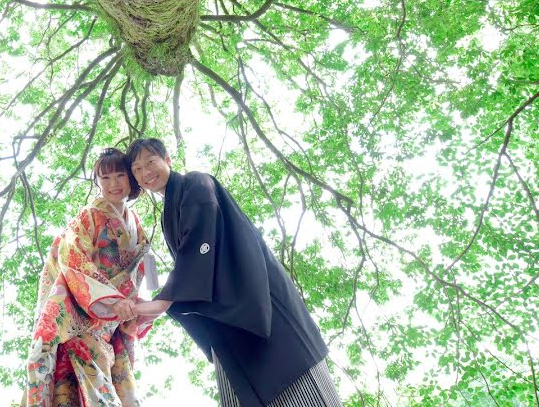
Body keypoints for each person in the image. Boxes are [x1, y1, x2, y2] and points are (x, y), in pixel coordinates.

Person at [124, 138, 342, 407]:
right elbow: (192, 264)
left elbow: (201, 237)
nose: (145, 173)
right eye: (137, 169)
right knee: (241, 390)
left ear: (167, 160)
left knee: (299, 388)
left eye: (151, 162)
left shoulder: (196, 182)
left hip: (258, 304)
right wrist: (163, 301)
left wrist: (166, 298)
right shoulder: (168, 213)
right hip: (224, 319)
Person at [24, 148, 152, 407]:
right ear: (97, 183)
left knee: (105, 385)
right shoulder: (88, 216)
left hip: (110, 325)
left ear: (131, 178)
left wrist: (134, 308)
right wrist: (112, 300)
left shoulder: (138, 228)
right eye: (105, 178)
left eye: (120, 175)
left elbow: (138, 279)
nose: (113, 184)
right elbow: (73, 260)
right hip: (81, 314)